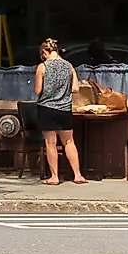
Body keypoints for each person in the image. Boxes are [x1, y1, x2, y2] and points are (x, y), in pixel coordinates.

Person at [34, 37, 84, 185]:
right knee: (69, 142)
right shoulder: (69, 66)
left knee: (50, 143)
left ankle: (54, 177)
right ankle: (78, 175)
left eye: (42, 54)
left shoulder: (42, 67)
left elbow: (37, 90)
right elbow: (76, 88)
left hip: (47, 108)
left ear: (45, 52)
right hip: (64, 108)